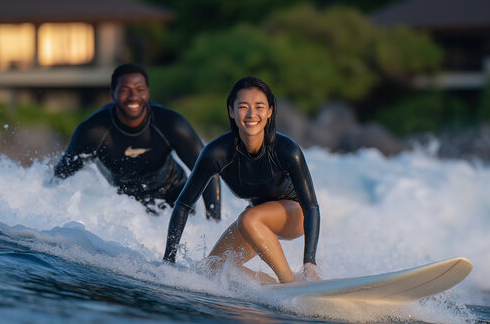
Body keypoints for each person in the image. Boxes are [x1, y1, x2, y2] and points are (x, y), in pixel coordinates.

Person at [163, 76, 320, 283]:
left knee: (249, 218)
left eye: (259, 106)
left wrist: (309, 261)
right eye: (243, 107)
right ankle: (271, 285)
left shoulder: (287, 150)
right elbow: (183, 204)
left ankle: (289, 283)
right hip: (255, 221)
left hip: (294, 214)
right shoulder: (216, 153)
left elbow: (311, 207)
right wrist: (168, 261)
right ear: (231, 111)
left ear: (270, 111)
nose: (251, 114)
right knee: (212, 270)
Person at [54, 63, 221, 219]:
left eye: (140, 89)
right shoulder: (93, 132)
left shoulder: (170, 124)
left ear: (147, 92)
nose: (133, 96)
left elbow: (208, 168)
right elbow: (60, 176)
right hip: (125, 204)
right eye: (125, 89)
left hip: (172, 196)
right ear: (112, 94)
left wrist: (214, 221)